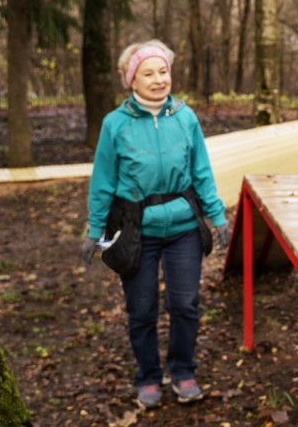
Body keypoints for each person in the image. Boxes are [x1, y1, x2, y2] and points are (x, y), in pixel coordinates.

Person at [80, 39, 230, 408]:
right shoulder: (115, 124)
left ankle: (183, 371)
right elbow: (103, 181)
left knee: (185, 304)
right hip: (136, 230)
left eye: (163, 71)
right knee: (142, 310)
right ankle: (148, 377)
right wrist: (95, 230)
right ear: (132, 79)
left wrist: (217, 216)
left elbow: (202, 172)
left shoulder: (185, 117)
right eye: (148, 73)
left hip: (183, 228)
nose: (159, 79)